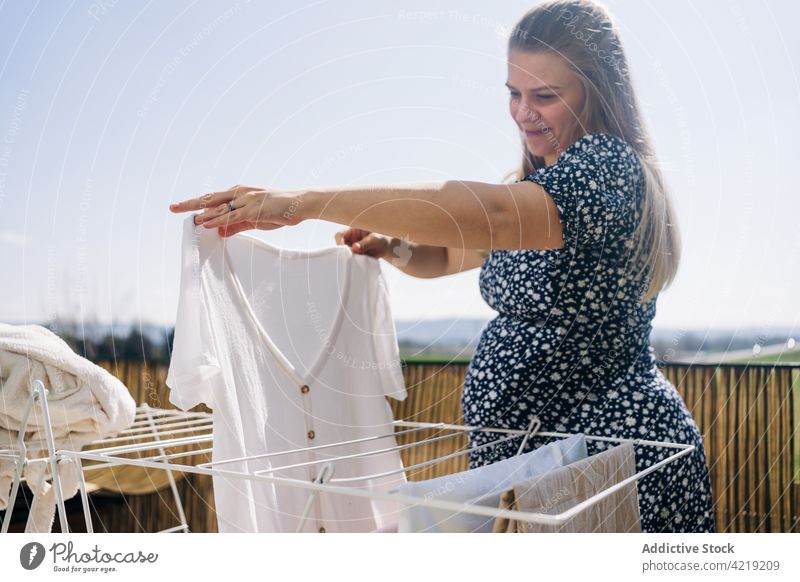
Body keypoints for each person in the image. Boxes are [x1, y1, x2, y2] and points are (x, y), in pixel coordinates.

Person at [169, 0, 715, 533]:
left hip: (608, 462)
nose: (523, 112)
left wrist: (302, 203)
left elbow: (488, 217)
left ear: (597, 92)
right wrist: (391, 247)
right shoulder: (542, 189)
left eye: (545, 96)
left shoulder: (606, 168)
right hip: (549, 468)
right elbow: (452, 253)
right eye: (514, 93)